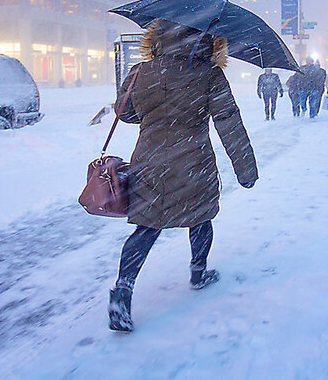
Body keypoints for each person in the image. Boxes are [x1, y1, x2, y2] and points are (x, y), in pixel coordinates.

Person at [109, 19, 258, 332]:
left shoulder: (141, 71)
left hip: (149, 162)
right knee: (201, 218)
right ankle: (198, 272)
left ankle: (122, 291)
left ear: (158, 37)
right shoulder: (209, 74)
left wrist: (157, 110)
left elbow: (125, 114)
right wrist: (245, 169)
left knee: (147, 227)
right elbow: (228, 122)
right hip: (194, 161)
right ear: (207, 40)